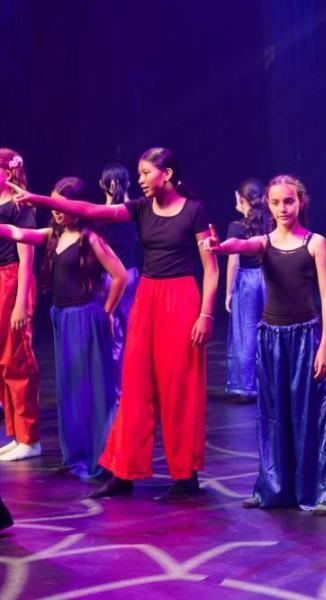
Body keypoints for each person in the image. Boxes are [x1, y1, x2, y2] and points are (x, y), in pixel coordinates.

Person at [14, 147, 218, 498]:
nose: (139, 179)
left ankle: (186, 476)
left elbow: (211, 269)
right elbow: (91, 210)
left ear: (167, 174)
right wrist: (39, 200)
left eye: (145, 173)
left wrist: (205, 314)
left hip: (182, 296)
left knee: (179, 387)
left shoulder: (194, 211)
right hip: (148, 296)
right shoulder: (140, 208)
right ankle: (123, 473)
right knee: (134, 385)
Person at [204, 174, 326, 513]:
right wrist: (221, 247)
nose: (283, 208)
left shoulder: (315, 243)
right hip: (272, 339)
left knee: (311, 415)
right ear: (268, 204)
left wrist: (325, 345)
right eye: (276, 202)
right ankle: (273, 486)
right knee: (274, 416)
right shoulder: (264, 242)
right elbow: (242, 246)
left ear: (301, 202)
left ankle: (323, 492)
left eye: (289, 201)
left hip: (305, 338)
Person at [0, 177, 125, 476]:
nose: (55, 210)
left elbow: (120, 275)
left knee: (91, 390)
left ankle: (103, 457)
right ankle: (76, 455)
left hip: (85, 318)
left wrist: (106, 311)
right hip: (62, 317)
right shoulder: (54, 234)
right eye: (53, 203)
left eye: (61, 204)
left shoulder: (89, 237)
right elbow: (19, 233)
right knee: (70, 388)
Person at [0, 150, 40, 462]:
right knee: (3, 362)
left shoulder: (19, 206)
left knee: (17, 358)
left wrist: (20, 303)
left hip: (13, 280)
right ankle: (16, 433)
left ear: (8, 172)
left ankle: (29, 437)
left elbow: (26, 258)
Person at [98, 163, 141, 398]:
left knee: (112, 332)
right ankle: (129, 384)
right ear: (129, 183)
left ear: (101, 185)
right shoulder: (137, 212)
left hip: (107, 278)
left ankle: (116, 387)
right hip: (131, 276)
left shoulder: (99, 215)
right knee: (130, 331)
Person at [224, 179, 268, 401]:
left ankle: (246, 385)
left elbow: (233, 263)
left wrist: (229, 292)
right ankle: (270, 385)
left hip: (248, 282)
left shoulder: (236, 227)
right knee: (269, 332)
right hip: (269, 280)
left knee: (246, 332)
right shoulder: (269, 224)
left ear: (240, 199)